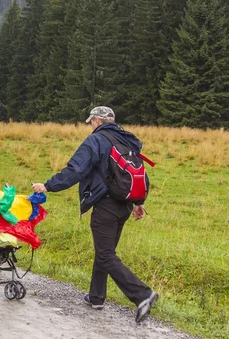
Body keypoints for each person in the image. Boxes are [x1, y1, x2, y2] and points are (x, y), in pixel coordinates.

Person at [32, 106, 158, 324]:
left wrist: (48, 186)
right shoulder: (127, 140)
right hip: (125, 205)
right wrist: (138, 202)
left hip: (106, 205)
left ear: (97, 121)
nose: (91, 125)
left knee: (106, 254)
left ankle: (142, 295)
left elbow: (75, 170)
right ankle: (97, 297)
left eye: (91, 121)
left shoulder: (96, 141)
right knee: (105, 250)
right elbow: (138, 171)